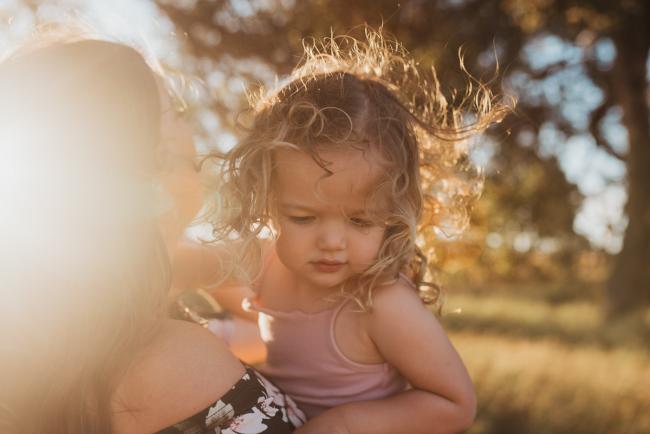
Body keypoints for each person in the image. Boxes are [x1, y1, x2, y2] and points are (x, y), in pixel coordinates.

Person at [193, 30, 510, 434]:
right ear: (267, 202)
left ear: (392, 215)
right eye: (303, 217)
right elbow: (185, 263)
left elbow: (455, 403)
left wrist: (344, 424)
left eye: (359, 221)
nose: (331, 242)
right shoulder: (265, 259)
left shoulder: (380, 302)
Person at [0, 39, 304, 434]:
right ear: (152, 158)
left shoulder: (73, 344)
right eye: (174, 113)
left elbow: (279, 332)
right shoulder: (176, 363)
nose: (190, 129)